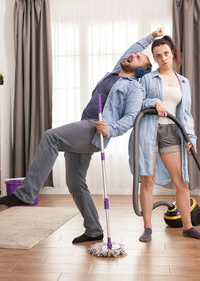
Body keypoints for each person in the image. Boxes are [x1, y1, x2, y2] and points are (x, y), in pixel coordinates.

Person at [0, 28, 163, 244]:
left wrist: (110, 130)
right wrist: (150, 37)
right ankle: (94, 229)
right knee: (75, 182)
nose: (132, 55)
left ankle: (26, 194)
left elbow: (131, 117)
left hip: (93, 132)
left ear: (141, 72)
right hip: (85, 128)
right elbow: (132, 49)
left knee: (51, 137)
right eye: (134, 54)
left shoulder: (134, 88)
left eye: (138, 58)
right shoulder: (116, 73)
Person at [129, 35, 200, 243]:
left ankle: (187, 226)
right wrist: (155, 101)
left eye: (166, 53)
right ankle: (148, 228)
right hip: (147, 131)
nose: (163, 58)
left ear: (173, 53)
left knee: (182, 183)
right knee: (148, 181)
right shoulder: (147, 79)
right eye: (158, 55)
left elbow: (185, 114)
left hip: (173, 133)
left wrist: (191, 138)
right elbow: (137, 103)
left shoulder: (183, 82)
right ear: (154, 57)